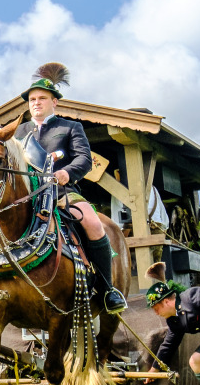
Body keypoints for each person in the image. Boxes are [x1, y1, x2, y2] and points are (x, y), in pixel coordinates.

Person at [15, 63, 127, 314]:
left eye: (42, 98)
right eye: (32, 99)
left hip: (62, 192)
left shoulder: (69, 127)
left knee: (94, 223)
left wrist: (67, 172)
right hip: (25, 195)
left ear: (55, 102)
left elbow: (84, 160)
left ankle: (107, 288)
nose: (36, 103)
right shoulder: (18, 132)